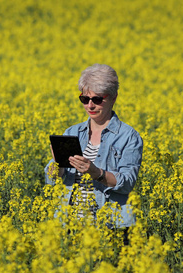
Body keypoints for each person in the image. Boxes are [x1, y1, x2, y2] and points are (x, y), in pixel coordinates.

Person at [45, 64, 143, 242]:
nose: (90, 105)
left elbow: (127, 182)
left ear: (113, 98)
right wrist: (57, 163)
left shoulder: (129, 137)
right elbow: (51, 180)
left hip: (110, 226)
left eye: (97, 99)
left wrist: (96, 173)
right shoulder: (72, 133)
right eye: (84, 99)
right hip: (70, 225)